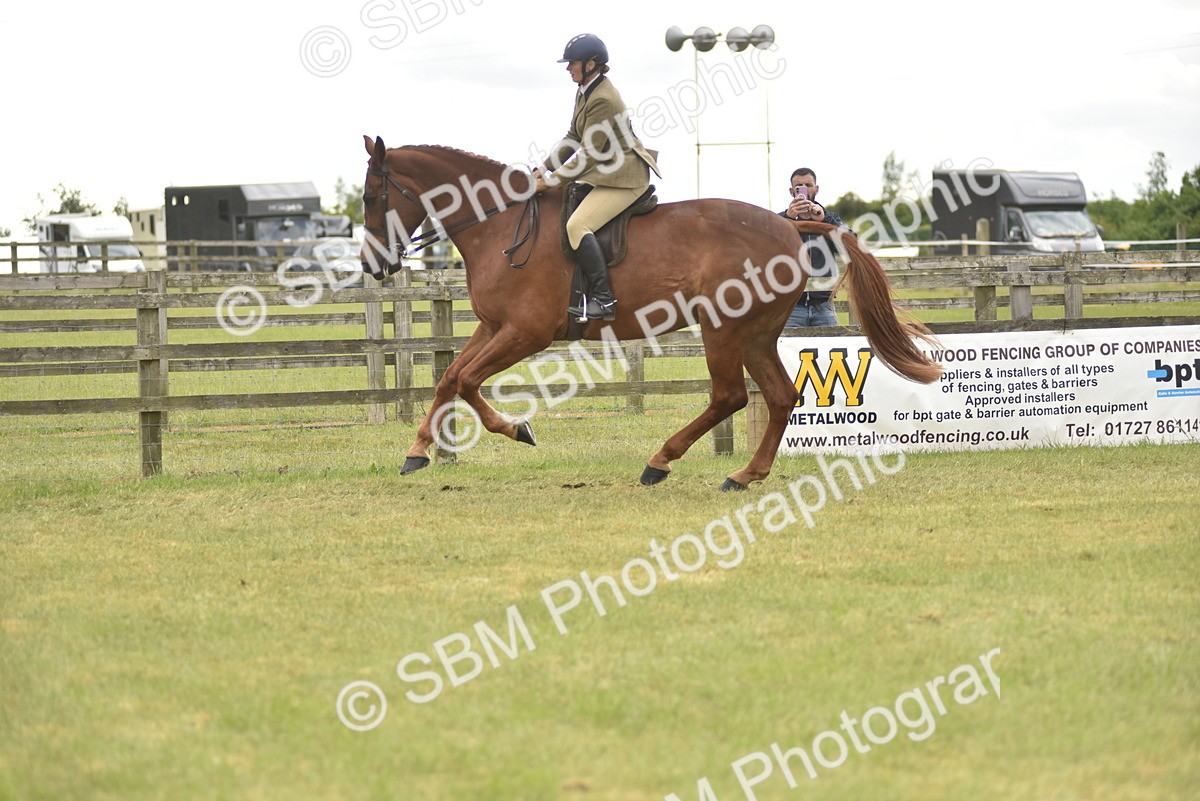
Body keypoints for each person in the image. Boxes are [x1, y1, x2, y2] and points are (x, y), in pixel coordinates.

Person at [533, 33, 661, 321]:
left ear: (590, 64)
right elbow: (573, 137)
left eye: (572, 63)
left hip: (625, 177)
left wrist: (550, 181)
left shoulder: (603, 98)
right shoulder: (585, 90)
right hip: (606, 171)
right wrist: (544, 168)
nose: (568, 68)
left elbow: (588, 154)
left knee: (577, 225)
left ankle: (604, 300)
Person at [779, 167, 845, 327]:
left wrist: (824, 220)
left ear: (816, 189)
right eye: (799, 186)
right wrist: (788, 219)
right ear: (791, 191)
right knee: (787, 344)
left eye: (808, 185)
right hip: (791, 306)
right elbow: (767, 251)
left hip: (823, 305)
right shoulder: (779, 220)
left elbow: (851, 244)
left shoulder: (829, 218)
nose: (804, 189)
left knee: (831, 343)